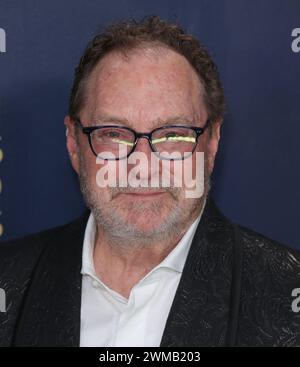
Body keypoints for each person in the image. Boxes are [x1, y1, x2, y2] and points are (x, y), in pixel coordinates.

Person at [0, 15, 300, 347]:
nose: (142, 166)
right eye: (112, 133)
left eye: (174, 134)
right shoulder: (9, 279)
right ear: (73, 143)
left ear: (212, 142)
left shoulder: (288, 297)